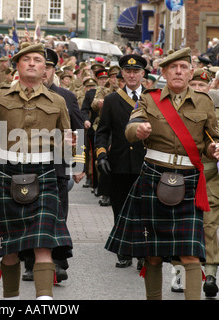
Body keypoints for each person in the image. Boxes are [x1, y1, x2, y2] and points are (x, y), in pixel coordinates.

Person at [105, 47, 219, 300]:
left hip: (189, 180)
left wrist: (217, 149)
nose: (179, 72)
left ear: (190, 71)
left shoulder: (204, 101)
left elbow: (212, 139)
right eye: (173, 67)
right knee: (152, 253)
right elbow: (131, 125)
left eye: (184, 67)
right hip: (153, 175)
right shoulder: (149, 98)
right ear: (164, 72)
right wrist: (138, 131)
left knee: (190, 253)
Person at [0, 43, 74, 300]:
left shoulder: (58, 101)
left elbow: (67, 141)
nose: (32, 63)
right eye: (26, 59)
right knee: (9, 248)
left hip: (45, 174)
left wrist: (70, 148)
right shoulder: (1, 94)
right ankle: (10, 298)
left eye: (37, 60)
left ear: (45, 69)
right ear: (17, 66)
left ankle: (44, 299)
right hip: (9, 172)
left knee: (43, 244)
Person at [172, 67, 219, 298]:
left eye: (203, 86)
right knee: (180, 230)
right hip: (181, 179)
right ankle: (179, 272)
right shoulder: (176, 109)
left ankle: (210, 275)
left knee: (208, 228)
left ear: (210, 87)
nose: (199, 89)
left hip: (209, 180)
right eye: (195, 85)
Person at [21, 48, 85, 283]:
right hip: (27, 166)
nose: (43, 71)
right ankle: (30, 263)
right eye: (40, 66)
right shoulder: (21, 94)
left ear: (52, 70)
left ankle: (57, 262)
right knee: (29, 215)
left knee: (56, 216)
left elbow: (77, 130)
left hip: (57, 167)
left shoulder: (66, 97)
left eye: (47, 67)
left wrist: (79, 163)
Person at [95, 54, 147, 269]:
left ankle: (144, 251)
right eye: (128, 71)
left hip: (146, 163)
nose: (132, 75)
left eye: (136, 71)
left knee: (145, 209)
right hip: (120, 162)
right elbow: (103, 131)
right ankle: (124, 249)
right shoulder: (112, 99)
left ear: (143, 74)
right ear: (122, 74)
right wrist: (101, 154)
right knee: (121, 208)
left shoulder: (153, 98)